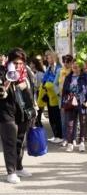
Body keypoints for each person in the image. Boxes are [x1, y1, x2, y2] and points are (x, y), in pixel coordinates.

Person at [0, 48, 36, 183]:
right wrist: (6, 85)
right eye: (15, 63)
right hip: (6, 113)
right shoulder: (2, 72)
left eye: (21, 63)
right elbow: (1, 94)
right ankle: (11, 172)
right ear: (9, 62)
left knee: (20, 142)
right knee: (10, 142)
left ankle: (19, 167)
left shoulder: (26, 73)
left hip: (23, 112)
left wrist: (33, 108)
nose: (18, 66)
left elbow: (31, 91)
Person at [61, 60, 87, 152]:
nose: (74, 67)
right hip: (70, 102)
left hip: (83, 102)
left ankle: (82, 142)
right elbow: (64, 92)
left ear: (81, 67)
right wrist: (63, 104)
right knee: (70, 123)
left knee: (83, 122)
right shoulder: (68, 77)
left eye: (77, 65)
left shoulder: (86, 77)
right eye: (73, 65)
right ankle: (70, 143)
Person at [38, 51, 62, 143]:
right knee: (51, 116)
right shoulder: (49, 68)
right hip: (48, 94)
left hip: (55, 95)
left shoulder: (58, 68)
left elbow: (56, 81)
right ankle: (55, 135)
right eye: (47, 57)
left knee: (56, 116)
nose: (47, 59)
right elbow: (45, 78)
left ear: (54, 58)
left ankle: (59, 135)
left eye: (49, 57)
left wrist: (48, 83)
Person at [56, 54, 74, 147]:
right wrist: (58, 92)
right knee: (63, 119)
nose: (66, 64)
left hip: (72, 98)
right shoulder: (60, 71)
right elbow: (55, 83)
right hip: (62, 98)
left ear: (71, 62)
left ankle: (73, 138)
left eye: (68, 62)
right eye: (64, 62)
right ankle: (65, 138)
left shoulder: (73, 70)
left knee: (73, 119)